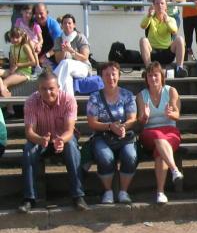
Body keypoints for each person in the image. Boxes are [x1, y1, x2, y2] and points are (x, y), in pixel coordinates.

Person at [19, 70, 87, 213]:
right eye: (43, 89)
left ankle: (78, 196)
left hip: (64, 138)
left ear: (58, 88)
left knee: (72, 147)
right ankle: (29, 199)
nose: (48, 92)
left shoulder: (68, 100)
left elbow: (69, 131)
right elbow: (29, 132)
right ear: (38, 89)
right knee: (28, 150)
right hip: (40, 139)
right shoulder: (31, 101)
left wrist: (61, 140)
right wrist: (40, 139)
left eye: (51, 88)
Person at [86, 62, 138, 204]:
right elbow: (92, 122)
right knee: (105, 157)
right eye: (107, 75)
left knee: (130, 156)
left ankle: (123, 191)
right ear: (101, 77)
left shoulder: (127, 95)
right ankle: (108, 191)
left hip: (123, 136)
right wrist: (110, 126)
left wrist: (123, 127)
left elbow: (132, 118)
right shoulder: (95, 97)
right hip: (102, 136)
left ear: (119, 75)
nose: (110, 78)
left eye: (113, 74)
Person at [136, 62, 183, 204]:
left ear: (162, 76)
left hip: (170, 131)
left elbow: (177, 115)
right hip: (150, 132)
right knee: (158, 136)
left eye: (155, 75)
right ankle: (174, 169)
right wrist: (145, 117)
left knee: (159, 152)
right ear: (146, 78)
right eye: (150, 76)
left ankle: (160, 192)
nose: (153, 78)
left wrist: (170, 114)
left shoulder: (171, 91)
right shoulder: (141, 95)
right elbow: (141, 121)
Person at [139, 0, 187, 77]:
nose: (159, 5)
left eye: (162, 3)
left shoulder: (171, 19)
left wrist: (167, 21)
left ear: (166, 7)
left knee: (180, 39)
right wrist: (149, 15)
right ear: (153, 6)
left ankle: (179, 69)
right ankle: (149, 70)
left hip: (167, 53)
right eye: (157, 3)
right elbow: (142, 26)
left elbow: (174, 31)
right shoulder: (149, 17)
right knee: (143, 40)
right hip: (152, 53)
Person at [52, 14, 91, 97]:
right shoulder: (58, 40)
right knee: (67, 78)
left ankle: (56, 91)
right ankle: (69, 100)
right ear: (61, 26)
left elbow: (85, 57)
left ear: (74, 25)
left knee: (66, 63)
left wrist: (71, 51)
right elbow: (58, 61)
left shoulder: (80, 37)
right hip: (66, 68)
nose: (67, 25)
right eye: (65, 23)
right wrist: (64, 51)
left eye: (69, 23)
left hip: (83, 67)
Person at [1, 27, 38, 97]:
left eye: (17, 37)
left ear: (22, 37)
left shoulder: (25, 46)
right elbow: (12, 64)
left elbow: (34, 62)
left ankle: (6, 99)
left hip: (25, 72)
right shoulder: (12, 47)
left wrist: (19, 65)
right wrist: (12, 69)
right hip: (16, 70)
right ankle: (7, 98)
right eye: (12, 37)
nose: (15, 40)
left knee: (4, 83)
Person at [33, 3, 62, 68]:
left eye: (41, 13)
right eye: (36, 13)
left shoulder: (54, 25)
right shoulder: (32, 22)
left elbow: (57, 45)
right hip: (37, 53)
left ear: (47, 13)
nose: (39, 16)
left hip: (51, 53)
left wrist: (46, 56)